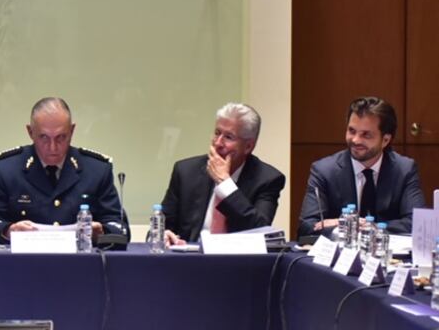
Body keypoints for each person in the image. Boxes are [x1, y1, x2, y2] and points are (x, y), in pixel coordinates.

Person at [0, 97, 127, 244]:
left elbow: (120, 228)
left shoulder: (97, 170)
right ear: (30, 132)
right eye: (44, 137)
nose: (53, 147)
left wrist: (101, 232)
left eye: (61, 137)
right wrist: (9, 231)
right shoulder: (6, 169)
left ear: (72, 131)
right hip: (23, 264)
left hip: (81, 264)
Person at [160, 103, 285, 245]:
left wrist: (225, 184)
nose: (218, 143)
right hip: (190, 260)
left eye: (229, 137)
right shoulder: (186, 171)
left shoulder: (268, 179)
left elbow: (261, 231)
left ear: (248, 146)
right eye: (217, 133)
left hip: (238, 262)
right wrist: (164, 235)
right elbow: (161, 227)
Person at [298, 96, 424, 237]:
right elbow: (306, 227)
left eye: (366, 135)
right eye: (352, 131)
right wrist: (343, 226)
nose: (356, 140)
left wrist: (366, 227)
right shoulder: (324, 170)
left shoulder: (404, 169)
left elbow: (417, 223)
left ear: (385, 140)